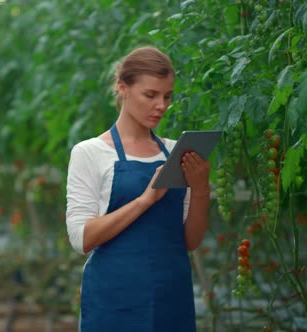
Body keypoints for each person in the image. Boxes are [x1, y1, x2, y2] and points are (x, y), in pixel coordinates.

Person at [66, 46, 211, 331]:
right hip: (114, 301)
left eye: (167, 96)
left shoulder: (175, 152)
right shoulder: (90, 153)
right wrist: (145, 200)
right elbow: (81, 238)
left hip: (172, 297)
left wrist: (202, 188)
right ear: (123, 88)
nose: (161, 105)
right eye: (150, 95)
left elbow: (190, 241)